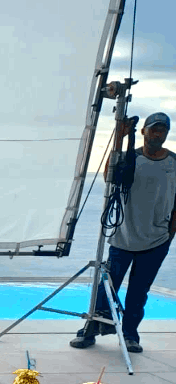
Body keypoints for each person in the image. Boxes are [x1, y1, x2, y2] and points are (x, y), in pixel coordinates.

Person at [70, 112, 176, 353]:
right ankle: (89, 331)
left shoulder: (174, 163)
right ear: (144, 132)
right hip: (122, 237)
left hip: (156, 241)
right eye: (153, 129)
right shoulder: (131, 158)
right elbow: (110, 176)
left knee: (139, 292)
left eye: (162, 130)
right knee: (106, 287)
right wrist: (119, 137)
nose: (157, 134)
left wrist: (169, 236)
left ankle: (129, 335)